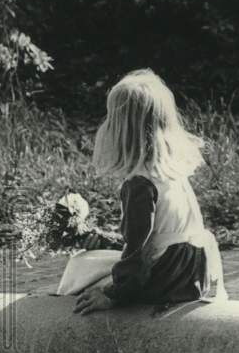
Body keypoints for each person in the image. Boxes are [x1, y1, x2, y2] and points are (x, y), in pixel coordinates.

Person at [69, 69, 226, 314]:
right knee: (98, 257)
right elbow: (158, 235)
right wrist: (105, 240)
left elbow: (137, 254)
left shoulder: (139, 185)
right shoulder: (170, 171)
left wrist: (111, 295)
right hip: (193, 271)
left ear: (121, 131)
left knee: (80, 267)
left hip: (169, 279)